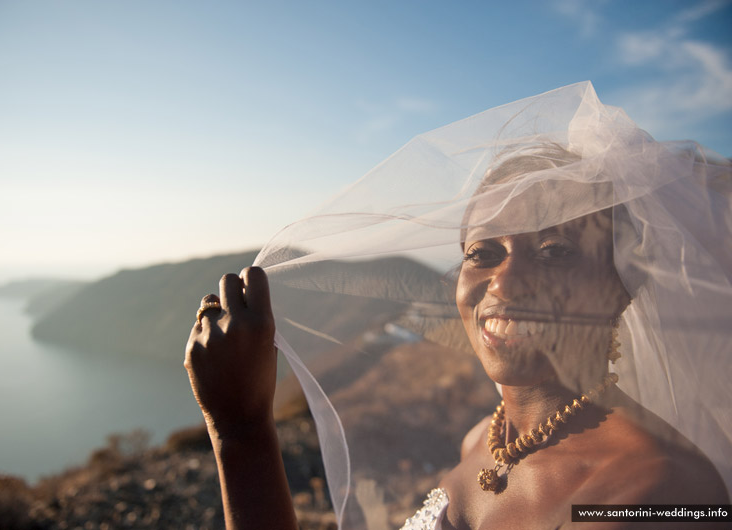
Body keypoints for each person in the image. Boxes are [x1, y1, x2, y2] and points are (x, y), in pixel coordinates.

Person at [184, 82, 732, 529]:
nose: (506, 283)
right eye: (483, 253)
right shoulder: (482, 438)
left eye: (556, 253)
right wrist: (237, 421)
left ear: (621, 285)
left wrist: (243, 432)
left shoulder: (660, 494)